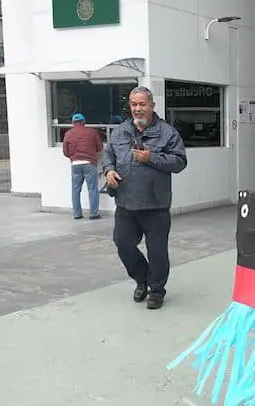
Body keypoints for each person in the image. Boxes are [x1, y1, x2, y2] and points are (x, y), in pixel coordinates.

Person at [101, 86, 188, 310]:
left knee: (157, 251)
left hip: (155, 204)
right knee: (123, 244)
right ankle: (142, 280)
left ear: (152, 106)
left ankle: (157, 290)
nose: (138, 109)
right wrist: (109, 171)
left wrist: (151, 157)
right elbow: (108, 156)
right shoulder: (120, 132)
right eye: (133, 104)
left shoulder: (168, 133)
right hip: (125, 202)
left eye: (142, 104)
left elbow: (179, 162)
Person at [62, 113, 104, 220]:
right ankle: (93, 214)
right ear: (84, 122)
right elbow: (100, 147)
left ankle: (77, 214)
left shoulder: (68, 134)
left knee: (75, 190)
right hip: (89, 163)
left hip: (75, 164)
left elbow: (65, 152)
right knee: (93, 189)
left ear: (73, 123)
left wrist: (74, 157)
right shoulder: (92, 132)